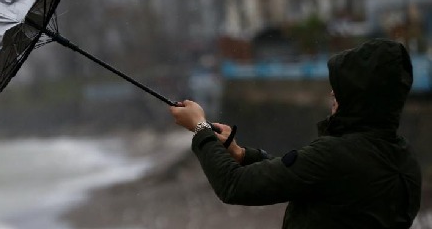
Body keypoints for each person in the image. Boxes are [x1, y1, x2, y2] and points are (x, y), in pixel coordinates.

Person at [170, 38, 422, 228]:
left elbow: (234, 185)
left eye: (340, 88)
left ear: (360, 97)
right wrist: (242, 154)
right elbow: (310, 180)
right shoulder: (405, 160)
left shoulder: (334, 155)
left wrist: (200, 128)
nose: (332, 94)